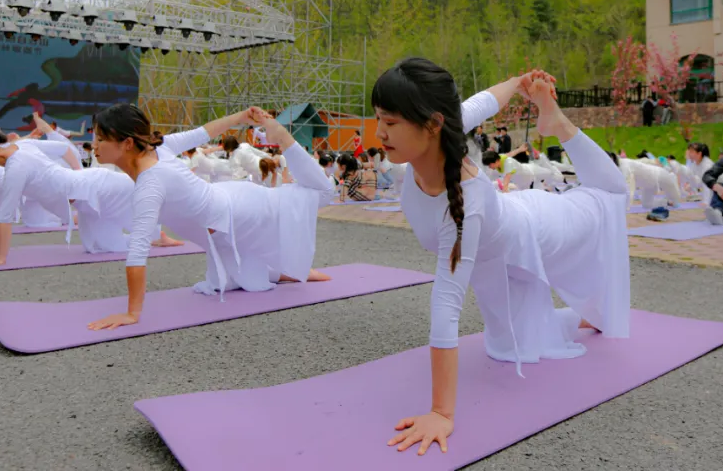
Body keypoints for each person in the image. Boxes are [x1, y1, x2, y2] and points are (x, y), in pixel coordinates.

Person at [373, 60, 629, 457]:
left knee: (609, 195)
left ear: (432, 124)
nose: (379, 133)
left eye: (390, 122)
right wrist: (518, 81)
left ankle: (556, 123)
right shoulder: (438, 129)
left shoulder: (465, 203)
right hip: (499, 249)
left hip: (538, 228)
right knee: (509, 343)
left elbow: (446, 302)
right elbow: (483, 102)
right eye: (378, 119)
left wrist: (441, 412)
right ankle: (586, 314)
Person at [87, 105, 334, 331]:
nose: (94, 145)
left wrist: (132, 313)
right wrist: (239, 117)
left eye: (100, 138)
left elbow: (138, 252)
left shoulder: (150, 182)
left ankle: (283, 138)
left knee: (323, 193)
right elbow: (204, 132)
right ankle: (290, 270)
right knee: (242, 282)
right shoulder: (158, 149)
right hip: (222, 224)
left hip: (239, 212)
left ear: (128, 143)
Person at [0, 129, 162, 268]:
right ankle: (156, 236)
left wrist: (0, 258)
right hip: (86, 202)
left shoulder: (17, 165)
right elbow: (63, 149)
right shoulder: (22, 147)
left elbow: (5, 216)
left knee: (147, 208)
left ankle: (160, 233)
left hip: (98, 187)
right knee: (98, 247)